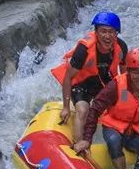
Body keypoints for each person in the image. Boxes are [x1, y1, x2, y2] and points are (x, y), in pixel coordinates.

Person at [73, 47, 139, 169]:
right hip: (114, 127)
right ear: (128, 72)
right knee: (114, 141)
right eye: (136, 72)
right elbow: (95, 109)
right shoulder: (115, 86)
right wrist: (87, 139)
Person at [51, 11, 128, 143]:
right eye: (103, 31)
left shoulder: (121, 47)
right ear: (96, 32)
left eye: (111, 32)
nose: (107, 36)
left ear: (116, 34)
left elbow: (125, 77)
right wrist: (65, 107)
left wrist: (126, 101)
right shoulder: (83, 50)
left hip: (104, 79)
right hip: (82, 82)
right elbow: (68, 77)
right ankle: (79, 146)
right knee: (82, 110)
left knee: (120, 107)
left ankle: (123, 139)